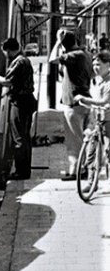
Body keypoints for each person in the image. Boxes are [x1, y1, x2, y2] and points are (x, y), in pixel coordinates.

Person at [0, 37, 37, 180]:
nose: (5, 55)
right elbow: (14, 80)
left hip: (20, 102)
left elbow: (7, 81)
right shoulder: (24, 60)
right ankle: (24, 170)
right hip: (26, 101)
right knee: (25, 137)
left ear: (8, 50)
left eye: (5, 52)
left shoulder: (18, 62)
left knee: (19, 138)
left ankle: (21, 172)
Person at [48, 28, 93, 180]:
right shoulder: (86, 55)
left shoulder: (73, 55)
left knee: (74, 141)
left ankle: (77, 172)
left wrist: (57, 43)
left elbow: (52, 59)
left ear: (64, 45)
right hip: (86, 100)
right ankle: (84, 168)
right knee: (83, 139)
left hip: (73, 104)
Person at [73, 50, 110, 192]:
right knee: (91, 151)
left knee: (108, 152)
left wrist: (84, 99)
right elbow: (96, 103)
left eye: (99, 64)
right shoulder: (98, 80)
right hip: (97, 120)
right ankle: (90, 181)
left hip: (108, 120)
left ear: (108, 65)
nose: (95, 67)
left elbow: (103, 101)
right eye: (94, 64)